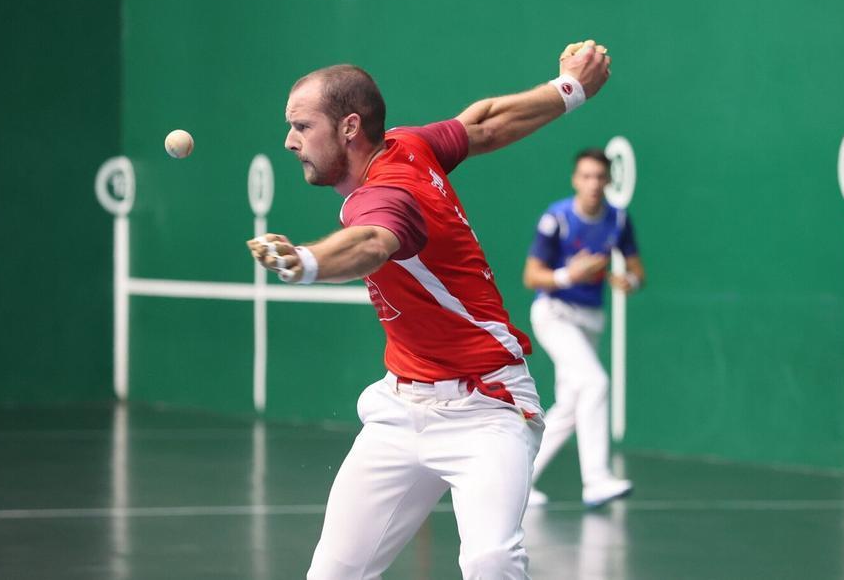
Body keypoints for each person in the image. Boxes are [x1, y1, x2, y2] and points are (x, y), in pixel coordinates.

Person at [247, 39, 611, 580]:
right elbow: (483, 124)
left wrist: (307, 260)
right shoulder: (407, 144)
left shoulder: (386, 195)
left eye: (302, 126)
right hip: (401, 408)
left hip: (488, 406)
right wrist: (569, 89)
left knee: (491, 559)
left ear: (348, 127)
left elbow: (373, 242)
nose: (289, 140)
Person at [522, 147, 645, 508]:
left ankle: (520, 483)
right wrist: (569, 274)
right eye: (586, 176)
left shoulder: (618, 221)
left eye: (599, 177)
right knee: (595, 383)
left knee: (573, 406)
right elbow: (531, 276)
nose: (593, 184)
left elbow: (638, 271)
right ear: (576, 180)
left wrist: (628, 282)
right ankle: (596, 480)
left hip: (590, 318)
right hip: (554, 312)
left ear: (608, 181)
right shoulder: (556, 219)